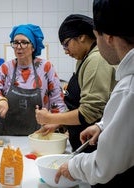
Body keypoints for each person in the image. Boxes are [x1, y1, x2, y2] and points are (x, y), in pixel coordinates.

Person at [54, 0, 134, 187]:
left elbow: (104, 164)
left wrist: (73, 167)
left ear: (108, 38)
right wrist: (103, 126)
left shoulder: (128, 87)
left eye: (96, 36)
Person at [35, 14, 117, 153]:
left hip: (94, 144)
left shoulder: (96, 59)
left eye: (66, 44)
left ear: (81, 37)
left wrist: (51, 117)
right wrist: (58, 123)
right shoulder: (84, 59)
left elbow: (89, 112)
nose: (66, 51)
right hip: (84, 142)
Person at [0, 24, 66, 136]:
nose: (18, 46)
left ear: (33, 46)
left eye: (24, 42)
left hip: (39, 136)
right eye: (15, 42)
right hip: (7, 137)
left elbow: (58, 103)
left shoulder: (46, 67)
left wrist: (55, 124)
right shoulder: (6, 68)